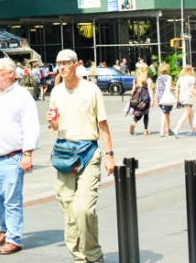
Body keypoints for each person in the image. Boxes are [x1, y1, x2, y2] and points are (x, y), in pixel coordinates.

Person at [46, 50, 116, 263]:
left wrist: (110, 155)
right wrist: (52, 122)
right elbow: (55, 127)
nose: (62, 67)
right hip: (64, 153)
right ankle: (79, 257)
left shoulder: (91, 90)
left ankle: (94, 256)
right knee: (68, 210)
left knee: (84, 209)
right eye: (59, 63)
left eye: (66, 63)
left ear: (76, 65)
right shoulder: (56, 92)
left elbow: (103, 124)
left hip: (88, 152)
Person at [0, 58, 39, 255]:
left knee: (12, 200)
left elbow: (31, 125)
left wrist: (28, 153)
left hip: (12, 157)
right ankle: (5, 225)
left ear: (11, 73)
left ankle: (13, 238)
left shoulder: (22, 96)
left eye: (0, 71)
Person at [172, 65, 196, 138]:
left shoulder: (180, 78)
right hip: (188, 98)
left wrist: (176, 98)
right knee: (186, 114)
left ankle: (194, 131)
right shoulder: (192, 78)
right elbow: (192, 90)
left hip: (182, 97)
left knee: (191, 114)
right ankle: (176, 129)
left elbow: (177, 88)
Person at [128, 68, 153, 136]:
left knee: (139, 113)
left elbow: (133, 88)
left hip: (137, 98)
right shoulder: (148, 79)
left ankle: (134, 122)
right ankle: (145, 130)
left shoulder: (136, 79)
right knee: (146, 113)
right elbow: (150, 89)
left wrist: (131, 96)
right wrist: (152, 99)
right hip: (145, 98)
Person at [155, 63, 175, 137]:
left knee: (167, 113)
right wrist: (176, 88)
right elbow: (170, 88)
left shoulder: (158, 78)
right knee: (164, 113)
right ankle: (162, 130)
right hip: (166, 97)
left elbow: (157, 89)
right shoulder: (169, 77)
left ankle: (168, 129)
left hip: (160, 97)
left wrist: (156, 99)